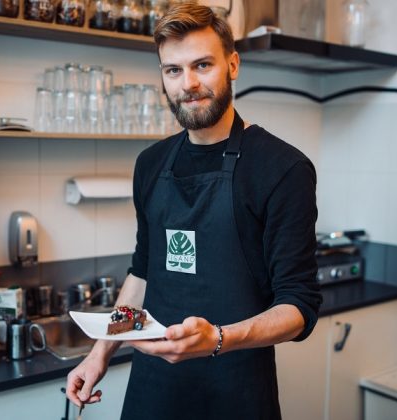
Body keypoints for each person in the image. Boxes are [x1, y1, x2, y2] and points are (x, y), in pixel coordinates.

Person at [66, 4, 322, 419]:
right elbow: (142, 274)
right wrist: (100, 354)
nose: (189, 84)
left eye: (202, 65)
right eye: (173, 70)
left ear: (232, 65)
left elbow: (298, 307)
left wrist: (217, 338)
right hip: (153, 388)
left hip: (236, 391)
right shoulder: (151, 164)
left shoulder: (282, 168)